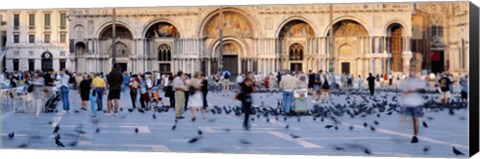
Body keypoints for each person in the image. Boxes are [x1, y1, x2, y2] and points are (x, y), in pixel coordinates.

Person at [399, 70, 426, 143]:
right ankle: (399, 133)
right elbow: (403, 91)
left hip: (416, 103)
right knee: (405, 118)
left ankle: (415, 136)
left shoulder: (419, 81)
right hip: (408, 103)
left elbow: (423, 90)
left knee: (414, 119)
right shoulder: (407, 81)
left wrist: (413, 91)